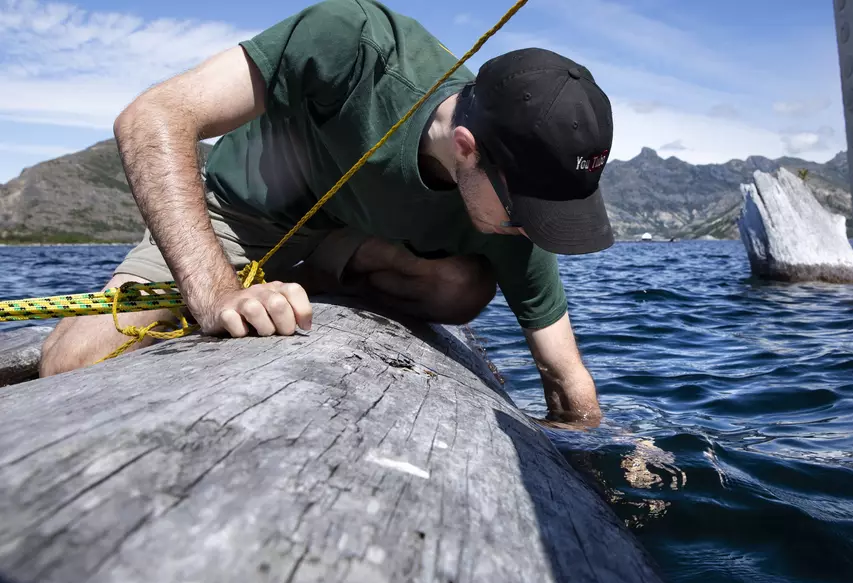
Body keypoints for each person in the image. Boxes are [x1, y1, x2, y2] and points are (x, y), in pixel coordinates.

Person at [38, 0, 616, 426]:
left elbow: (567, 379)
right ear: (465, 147)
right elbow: (152, 116)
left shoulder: (512, 203)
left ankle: (308, 284)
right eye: (526, 211)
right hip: (243, 216)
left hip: (351, 241)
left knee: (465, 288)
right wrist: (214, 293)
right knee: (69, 366)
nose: (529, 229)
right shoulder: (353, 40)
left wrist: (617, 456)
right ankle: (262, 282)